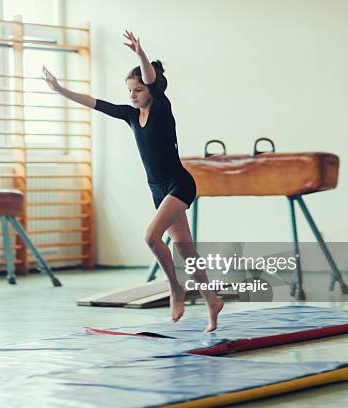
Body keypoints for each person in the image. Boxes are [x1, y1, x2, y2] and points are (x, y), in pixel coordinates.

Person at [42, 31, 224, 332]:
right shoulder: (129, 115)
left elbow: (152, 80)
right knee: (186, 251)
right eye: (129, 90)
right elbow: (94, 102)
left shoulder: (162, 108)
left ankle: (175, 288)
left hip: (179, 183)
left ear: (151, 90)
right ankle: (212, 301)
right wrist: (61, 90)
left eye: (138, 89)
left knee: (151, 237)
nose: (133, 95)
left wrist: (140, 54)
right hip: (158, 190)